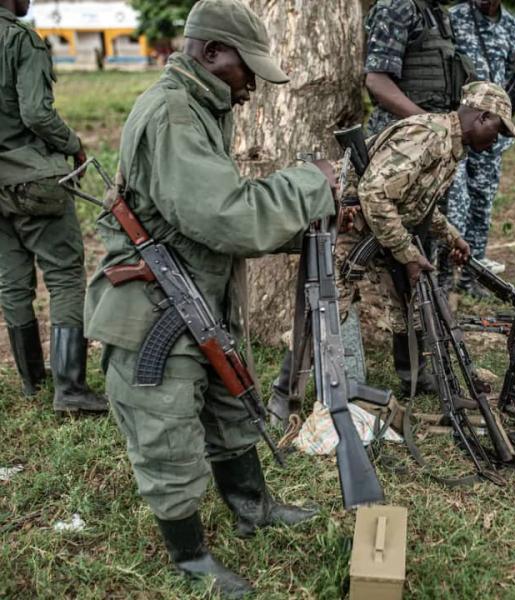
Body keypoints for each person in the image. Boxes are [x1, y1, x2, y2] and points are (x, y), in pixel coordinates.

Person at [84, 0, 341, 595]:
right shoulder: (175, 114)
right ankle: (190, 559)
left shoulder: (202, 104)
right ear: (210, 53)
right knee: (167, 431)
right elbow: (228, 216)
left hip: (194, 297)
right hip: (152, 312)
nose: (252, 85)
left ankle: (251, 506)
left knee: (231, 402)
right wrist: (310, 182)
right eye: (246, 69)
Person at [268, 82, 515, 422]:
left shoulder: (448, 145)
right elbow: (374, 193)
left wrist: (452, 237)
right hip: (351, 226)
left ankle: (413, 376)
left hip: (382, 229)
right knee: (326, 313)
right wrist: (407, 252)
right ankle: (283, 396)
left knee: (412, 300)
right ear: (482, 116)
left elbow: (416, 204)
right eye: (498, 128)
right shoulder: (428, 137)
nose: (498, 138)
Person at [0, 0, 107, 413]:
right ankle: (71, 389)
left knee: (12, 281)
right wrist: (74, 145)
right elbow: (36, 113)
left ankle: (31, 382)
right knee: (64, 277)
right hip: (33, 179)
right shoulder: (20, 39)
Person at [445, 0, 515, 295]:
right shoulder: (455, 18)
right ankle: (443, 275)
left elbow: (511, 71)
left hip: (493, 130)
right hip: (462, 126)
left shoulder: (511, 25)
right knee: (456, 203)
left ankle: (471, 277)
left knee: (482, 203)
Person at [363, 0, 473, 137]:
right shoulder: (398, 7)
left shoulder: (440, 13)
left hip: (431, 135)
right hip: (400, 136)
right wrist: (430, 123)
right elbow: (377, 82)